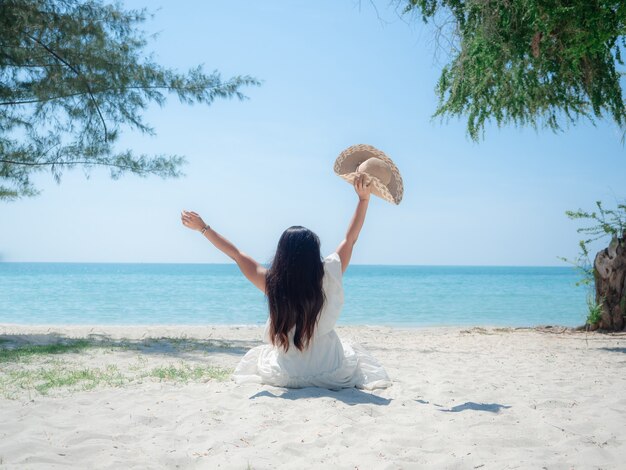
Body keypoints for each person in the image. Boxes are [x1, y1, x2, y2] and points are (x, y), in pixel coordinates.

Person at [181, 173, 391, 390]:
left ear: (281, 254)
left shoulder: (272, 283)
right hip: (329, 367)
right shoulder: (328, 274)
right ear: (314, 254)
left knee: (260, 357)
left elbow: (235, 254)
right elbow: (351, 239)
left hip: (289, 373)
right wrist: (363, 200)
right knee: (352, 353)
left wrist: (203, 228)